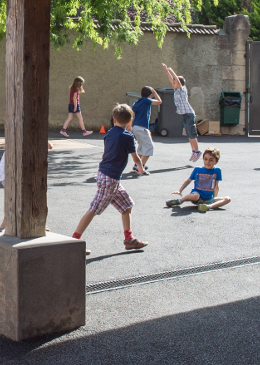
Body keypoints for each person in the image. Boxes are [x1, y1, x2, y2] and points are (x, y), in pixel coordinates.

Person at [71, 104, 147, 255]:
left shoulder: (110, 133)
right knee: (93, 209)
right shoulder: (127, 136)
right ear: (130, 121)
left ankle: (129, 239)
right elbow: (135, 156)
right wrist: (140, 167)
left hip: (107, 177)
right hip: (110, 179)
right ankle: (73, 242)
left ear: (114, 119)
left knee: (126, 206)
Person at [166, 148, 231, 212]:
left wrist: (214, 198)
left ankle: (207, 207)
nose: (207, 162)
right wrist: (180, 191)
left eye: (211, 160)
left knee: (228, 199)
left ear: (216, 161)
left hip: (208, 198)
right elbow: (188, 180)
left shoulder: (217, 170)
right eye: (205, 159)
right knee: (195, 196)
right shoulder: (197, 169)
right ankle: (179, 201)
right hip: (197, 196)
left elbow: (216, 185)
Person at [162, 63, 201, 162]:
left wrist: (172, 71)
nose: (173, 83)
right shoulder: (176, 90)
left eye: (175, 82)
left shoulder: (182, 89)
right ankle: (193, 151)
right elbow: (172, 80)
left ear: (179, 83)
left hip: (189, 114)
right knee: (188, 134)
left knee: (191, 133)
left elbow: (177, 81)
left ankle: (197, 151)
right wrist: (166, 70)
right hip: (185, 114)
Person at [131, 86, 161, 171]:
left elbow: (132, 114)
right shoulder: (146, 100)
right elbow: (159, 101)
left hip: (135, 127)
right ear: (150, 95)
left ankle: (136, 164)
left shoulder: (136, 102)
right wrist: (155, 92)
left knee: (141, 147)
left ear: (140, 94)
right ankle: (140, 166)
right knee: (149, 147)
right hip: (142, 127)